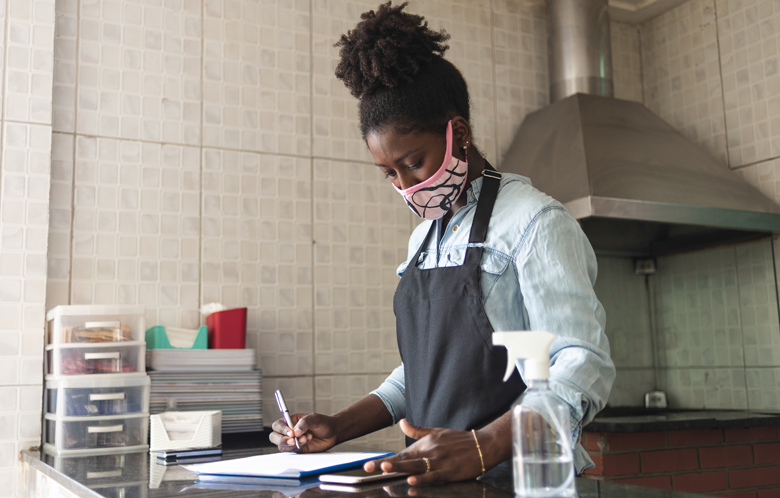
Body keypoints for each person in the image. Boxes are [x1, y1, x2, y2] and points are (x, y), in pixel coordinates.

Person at [269, 1, 615, 485]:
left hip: (522, 480)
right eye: (389, 173)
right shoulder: (424, 239)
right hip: (434, 481)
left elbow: (582, 363)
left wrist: (484, 445)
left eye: (413, 162)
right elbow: (427, 372)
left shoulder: (535, 222)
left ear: (460, 133)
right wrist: (340, 425)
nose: (405, 185)